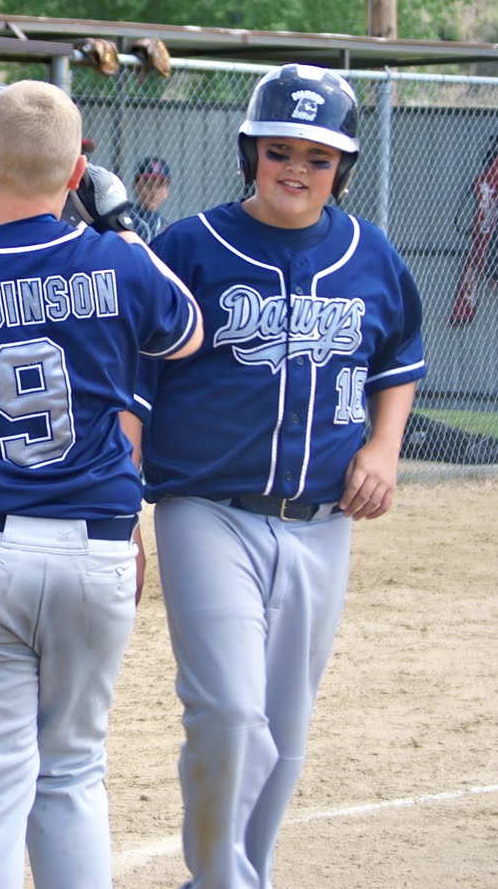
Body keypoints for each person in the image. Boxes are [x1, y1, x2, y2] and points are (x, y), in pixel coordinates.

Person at [0, 81, 202, 889]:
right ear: (78, 171)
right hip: (94, 550)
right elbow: (189, 330)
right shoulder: (117, 258)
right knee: (72, 773)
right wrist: (119, 227)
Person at [131, 64, 426, 889]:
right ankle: (220, 879)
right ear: (249, 154)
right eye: (279, 151)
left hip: (324, 519)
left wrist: (384, 447)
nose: (296, 168)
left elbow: (399, 355)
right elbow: (133, 379)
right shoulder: (190, 247)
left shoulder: (370, 253)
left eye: (318, 157)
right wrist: (120, 503)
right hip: (207, 509)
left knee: (284, 729)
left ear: (343, 169)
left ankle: (241, 875)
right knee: (228, 712)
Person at [127, 155, 172, 241]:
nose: (153, 191)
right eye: (148, 184)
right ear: (135, 186)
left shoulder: (164, 226)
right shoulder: (125, 216)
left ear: (166, 191)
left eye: (160, 186)